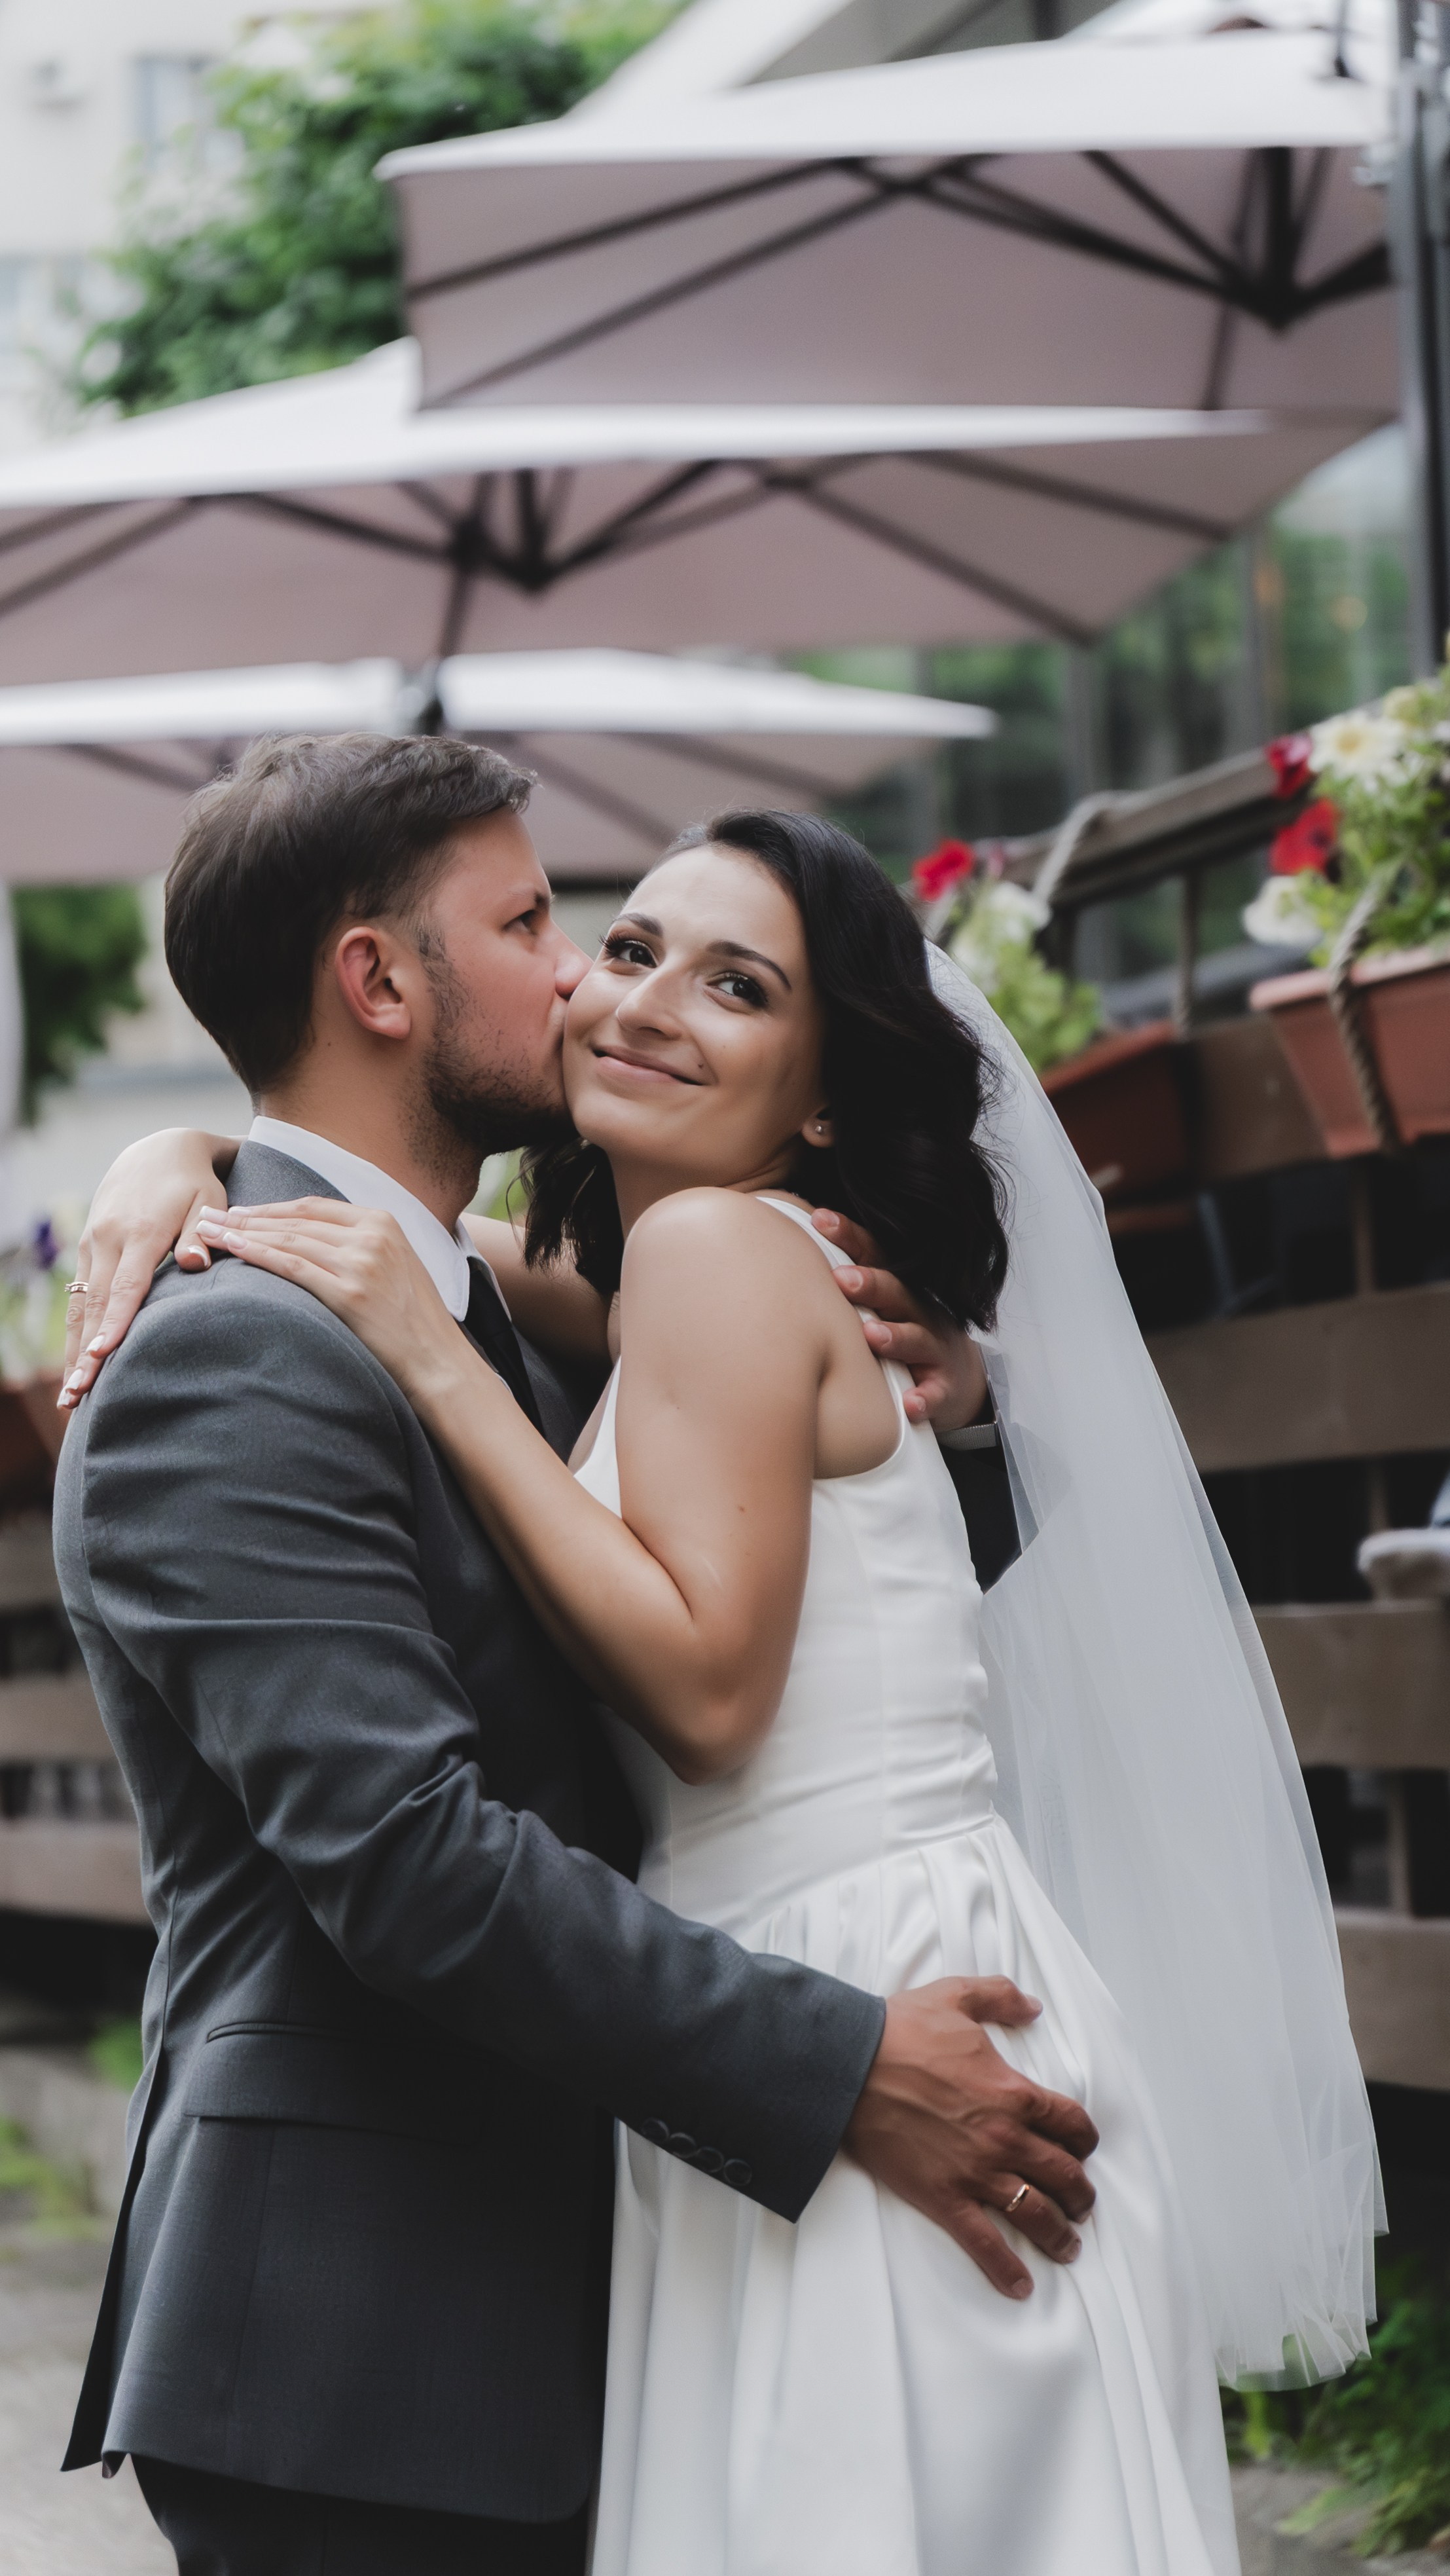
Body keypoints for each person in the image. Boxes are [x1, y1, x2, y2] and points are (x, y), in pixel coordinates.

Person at [73, 764, 1381, 2575]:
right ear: (380, 985)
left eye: (719, 976)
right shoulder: (248, 1358)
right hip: (373, 2344)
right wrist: (839, 2068)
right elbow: (408, 1861)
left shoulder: (501, 1304)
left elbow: (822, 1567)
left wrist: (957, 1413)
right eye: (556, 931)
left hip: (675, 2206)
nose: (593, 989)